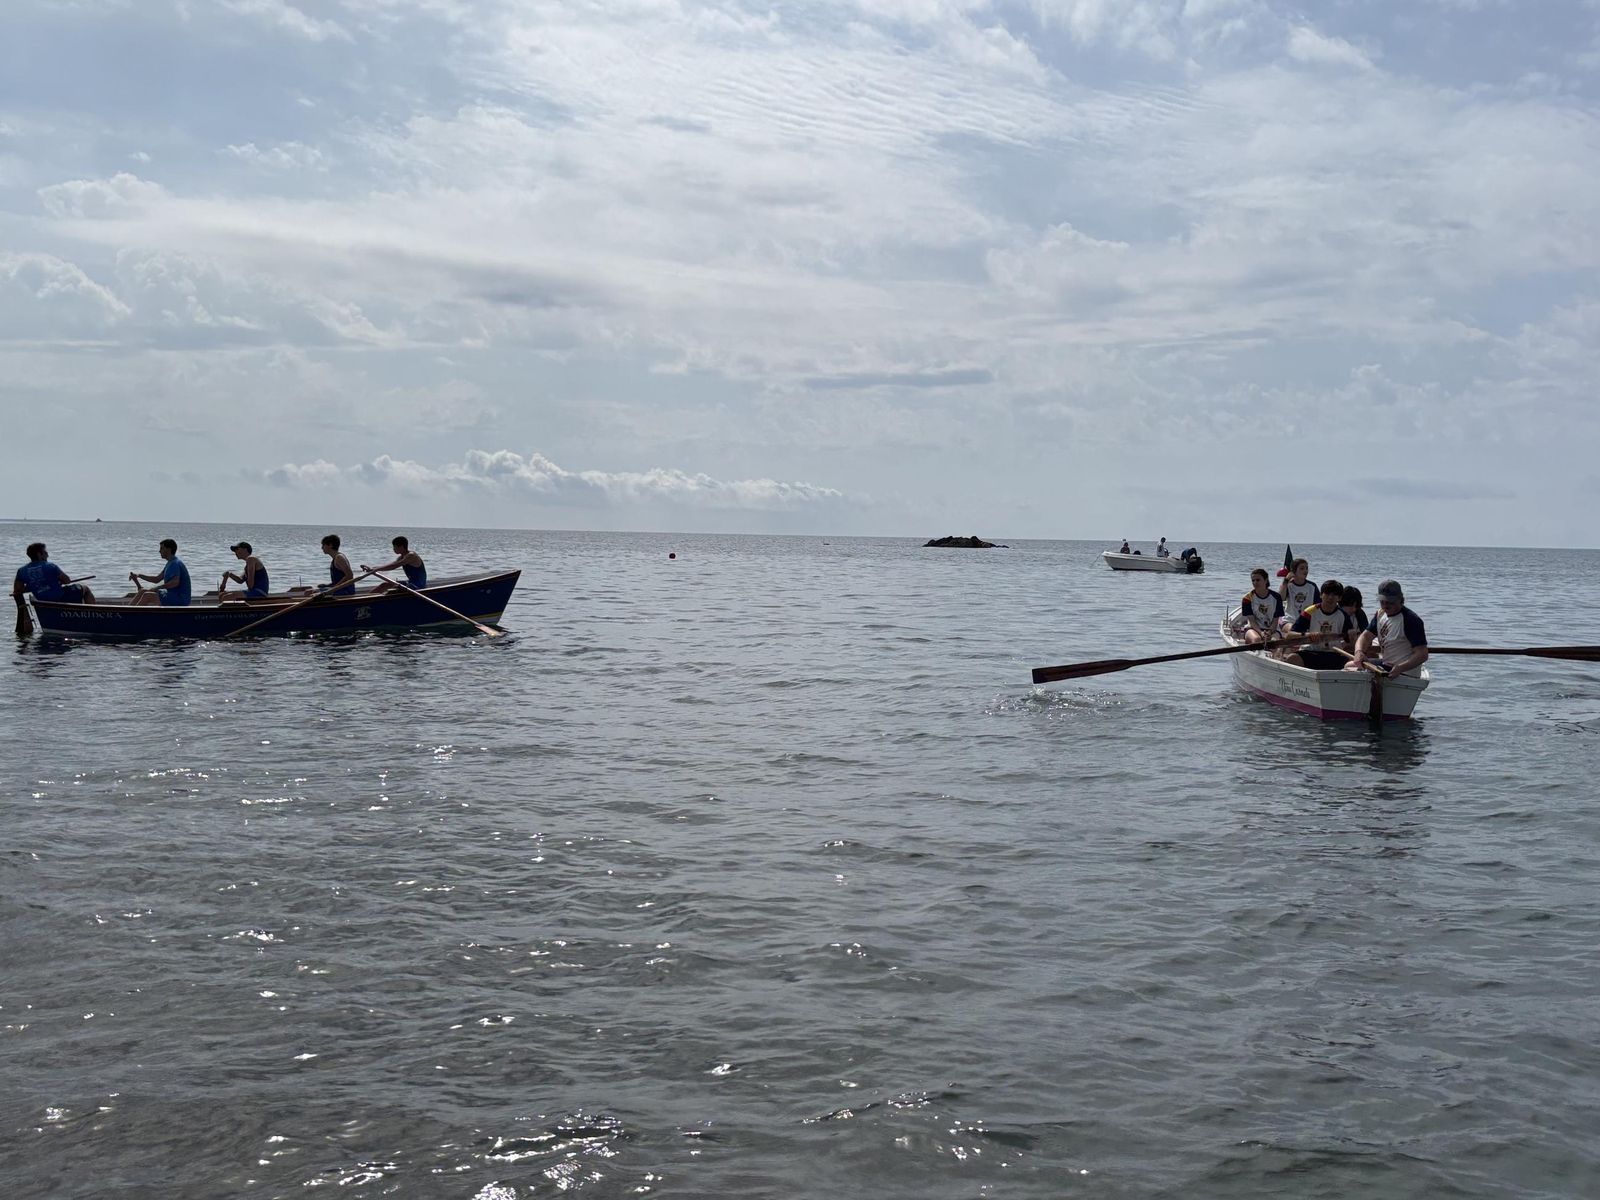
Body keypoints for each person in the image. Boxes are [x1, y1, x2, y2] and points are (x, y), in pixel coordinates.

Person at [1347, 579, 1429, 678]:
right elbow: (1365, 636)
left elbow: (1422, 654)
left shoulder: (1411, 620)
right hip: (1386, 664)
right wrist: (1359, 651)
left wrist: (1401, 668)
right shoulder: (1380, 614)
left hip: (1404, 671)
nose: (1385, 605)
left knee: (1350, 668)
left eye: (1390, 602)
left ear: (1400, 599)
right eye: (1382, 601)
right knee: (1350, 665)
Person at [1284, 580, 1357, 668]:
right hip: (1310, 652)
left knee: (1352, 665)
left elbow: (1350, 642)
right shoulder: (1309, 612)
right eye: (1327, 594)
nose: (1330, 597)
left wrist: (1352, 637)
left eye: (1334, 595)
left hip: (1333, 654)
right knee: (1292, 659)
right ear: (1321, 595)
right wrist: (1308, 635)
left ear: (1339, 598)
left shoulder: (1343, 615)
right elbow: (1290, 636)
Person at [13, 542, 95, 604]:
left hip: (41, 600)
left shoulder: (21, 571)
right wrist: (58, 582)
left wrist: (34, 585)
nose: (47, 555)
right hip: (60, 597)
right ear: (39, 554)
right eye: (45, 553)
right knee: (85, 589)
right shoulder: (50, 566)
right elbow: (67, 581)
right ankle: (93, 613)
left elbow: (18, 589)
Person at [130, 538, 191, 606]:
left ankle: (132, 614)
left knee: (148, 595)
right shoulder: (170, 563)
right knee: (143, 591)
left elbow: (175, 583)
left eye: (162, 548)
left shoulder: (175, 563)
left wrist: (157, 588)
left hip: (180, 598)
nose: (159, 551)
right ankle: (125, 612)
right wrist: (138, 575)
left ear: (168, 549)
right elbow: (156, 579)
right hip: (171, 595)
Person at [362, 536, 427, 591]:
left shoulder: (411, 555)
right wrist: (372, 568)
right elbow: (391, 565)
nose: (393, 549)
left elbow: (394, 566)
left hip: (418, 586)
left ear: (401, 547)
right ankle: (365, 600)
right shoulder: (402, 557)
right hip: (410, 583)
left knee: (393, 589)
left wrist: (376, 570)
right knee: (384, 585)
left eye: (394, 547)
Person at [1239, 567, 1283, 644]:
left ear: (1266, 580)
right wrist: (1261, 633)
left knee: (1274, 643)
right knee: (1257, 640)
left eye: (1258, 580)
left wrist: (1269, 632)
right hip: (1253, 629)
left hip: (1272, 629)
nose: (1255, 583)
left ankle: (1274, 654)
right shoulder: (1247, 598)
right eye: (1253, 581)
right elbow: (1252, 621)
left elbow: (1275, 621)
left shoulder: (1276, 597)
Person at [1279, 558, 1316, 632]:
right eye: (1302, 568)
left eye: (1306, 568)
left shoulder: (1312, 586)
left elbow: (1317, 605)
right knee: (1295, 630)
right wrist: (1286, 581)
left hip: (1307, 620)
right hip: (1289, 620)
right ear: (1294, 571)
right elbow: (1281, 599)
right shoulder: (1288, 585)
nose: (1305, 571)